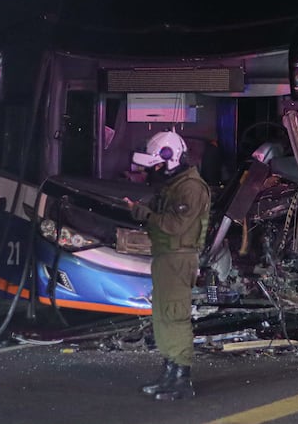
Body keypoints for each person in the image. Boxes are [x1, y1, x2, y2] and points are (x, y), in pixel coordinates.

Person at [126, 130, 211, 401]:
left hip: (178, 256)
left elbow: (174, 225)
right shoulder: (175, 185)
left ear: (169, 158)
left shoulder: (190, 188)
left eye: (157, 165)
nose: (155, 171)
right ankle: (170, 372)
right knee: (163, 315)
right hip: (166, 256)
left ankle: (181, 378)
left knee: (174, 314)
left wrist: (144, 213)